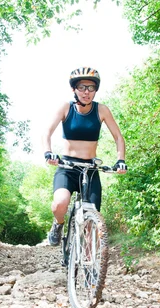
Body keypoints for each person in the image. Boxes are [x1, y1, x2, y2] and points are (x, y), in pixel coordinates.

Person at [42, 66, 128, 246]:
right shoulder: (66, 108)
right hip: (67, 168)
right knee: (60, 203)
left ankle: (91, 269)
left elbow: (118, 137)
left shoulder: (102, 110)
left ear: (96, 90)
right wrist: (48, 152)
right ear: (74, 89)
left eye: (91, 88)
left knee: (93, 221)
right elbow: (47, 133)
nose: (86, 92)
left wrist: (121, 160)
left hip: (90, 169)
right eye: (82, 87)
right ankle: (58, 225)